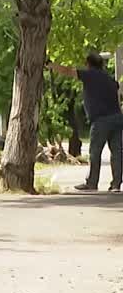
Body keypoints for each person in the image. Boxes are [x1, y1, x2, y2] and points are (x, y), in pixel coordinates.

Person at [49, 52, 122, 191]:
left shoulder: (89, 75)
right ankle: (116, 184)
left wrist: (50, 65)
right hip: (117, 118)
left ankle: (92, 183)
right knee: (117, 152)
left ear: (88, 64)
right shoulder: (109, 78)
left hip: (101, 120)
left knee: (95, 152)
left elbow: (67, 71)